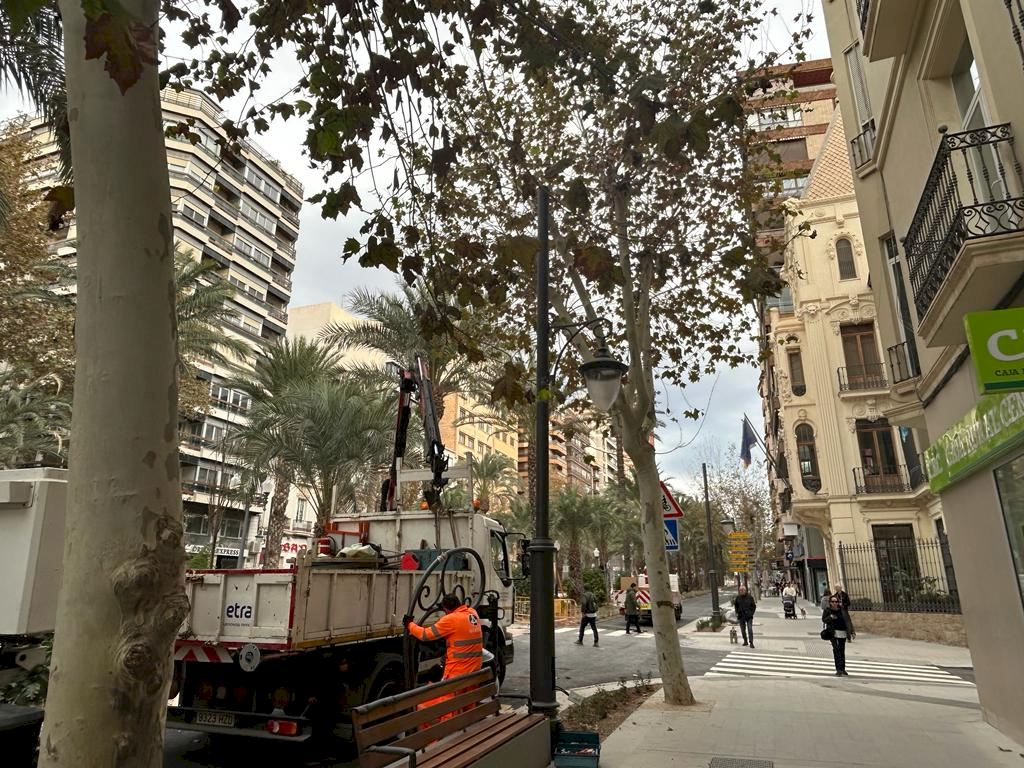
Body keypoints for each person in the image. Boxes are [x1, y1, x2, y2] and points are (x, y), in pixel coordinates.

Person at [404, 594, 484, 681]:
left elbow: (425, 635)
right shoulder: (473, 613)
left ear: (446, 609)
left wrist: (409, 624)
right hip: (474, 672)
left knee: (435, 685)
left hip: (457, 674)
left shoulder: (451, 619)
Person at [822, 595, 855, 675]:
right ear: (830, 602)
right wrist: (830, 617)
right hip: (833, 633)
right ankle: (838, 669)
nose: (834, 603)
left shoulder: (842, 610)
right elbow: (824, 620)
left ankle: (843, 669)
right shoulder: (827, 610)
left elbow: (848, 620)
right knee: (836, 650)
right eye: (833, 602)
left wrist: (852, 631)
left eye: (836, 602)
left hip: (842, 632)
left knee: (842, 650)